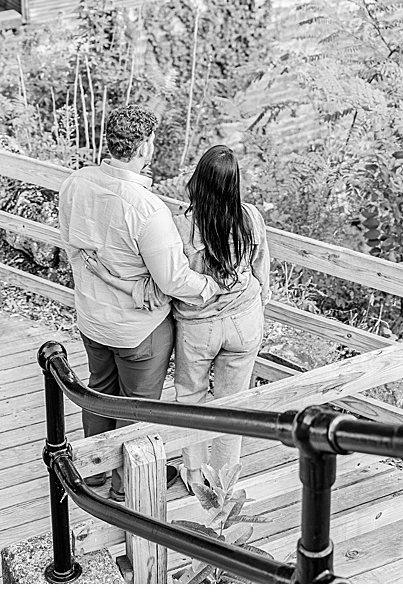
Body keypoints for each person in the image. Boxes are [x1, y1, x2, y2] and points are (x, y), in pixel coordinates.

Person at [58, 106, 223, 495]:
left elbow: (72, 244)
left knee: (99, 390)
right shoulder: (148, 209)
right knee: (137, 407)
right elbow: (174, 279)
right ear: (145, 146)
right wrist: (212, 287)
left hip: (92, 317)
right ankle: (124, 485)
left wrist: (109, 279)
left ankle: (93, 470)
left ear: (110, 142)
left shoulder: (75, 183)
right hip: (139, 329)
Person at [83, 144, 270, 481]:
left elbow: (165, 283)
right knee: (233, 403)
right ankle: (225, 477)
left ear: (198, 181)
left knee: (191, 399)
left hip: (199, 326)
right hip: (245, 319)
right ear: (235, 183)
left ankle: (195, 474)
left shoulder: (183, 225)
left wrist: (109, 276)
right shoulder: (251, 217)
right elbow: (261, 275)